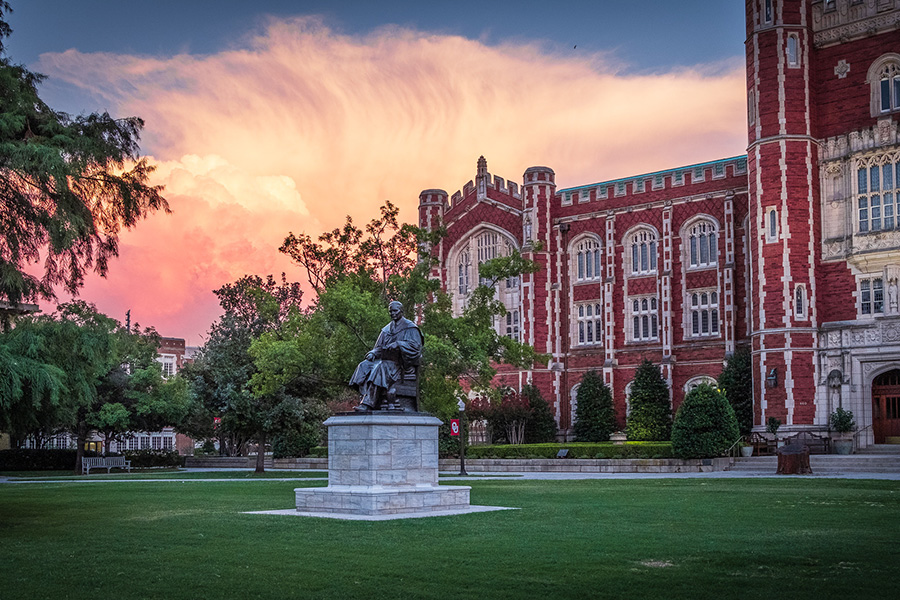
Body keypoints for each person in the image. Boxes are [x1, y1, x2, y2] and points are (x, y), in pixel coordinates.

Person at [350, 301, 423, 411]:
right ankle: (364, 398)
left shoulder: (410, 328)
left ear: (401, 312)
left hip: (400, 364)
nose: (392, 313)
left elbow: (416, 347)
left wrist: (399, 344)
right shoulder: (386, 329)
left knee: (380, 368)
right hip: (384, 360)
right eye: (390, 311)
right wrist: (373, 353)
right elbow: (379, 347)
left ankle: (367, 404)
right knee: (363, 366)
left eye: (395, 311)